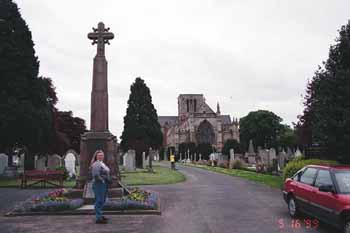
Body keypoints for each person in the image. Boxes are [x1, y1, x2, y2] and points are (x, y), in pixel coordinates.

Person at [91, 150, 111, 224]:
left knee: (102, 200)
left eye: (102, 155)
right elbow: (96, 175)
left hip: (103, 183)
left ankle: (100, 215)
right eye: (99, 155)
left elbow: (106, 172)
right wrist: (102, 180)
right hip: (98, 184)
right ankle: (98, 218)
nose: (101, 156)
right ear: (96, 156)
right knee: (99, 200)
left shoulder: (102, 163)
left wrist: (108, 179)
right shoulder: (96, 164)